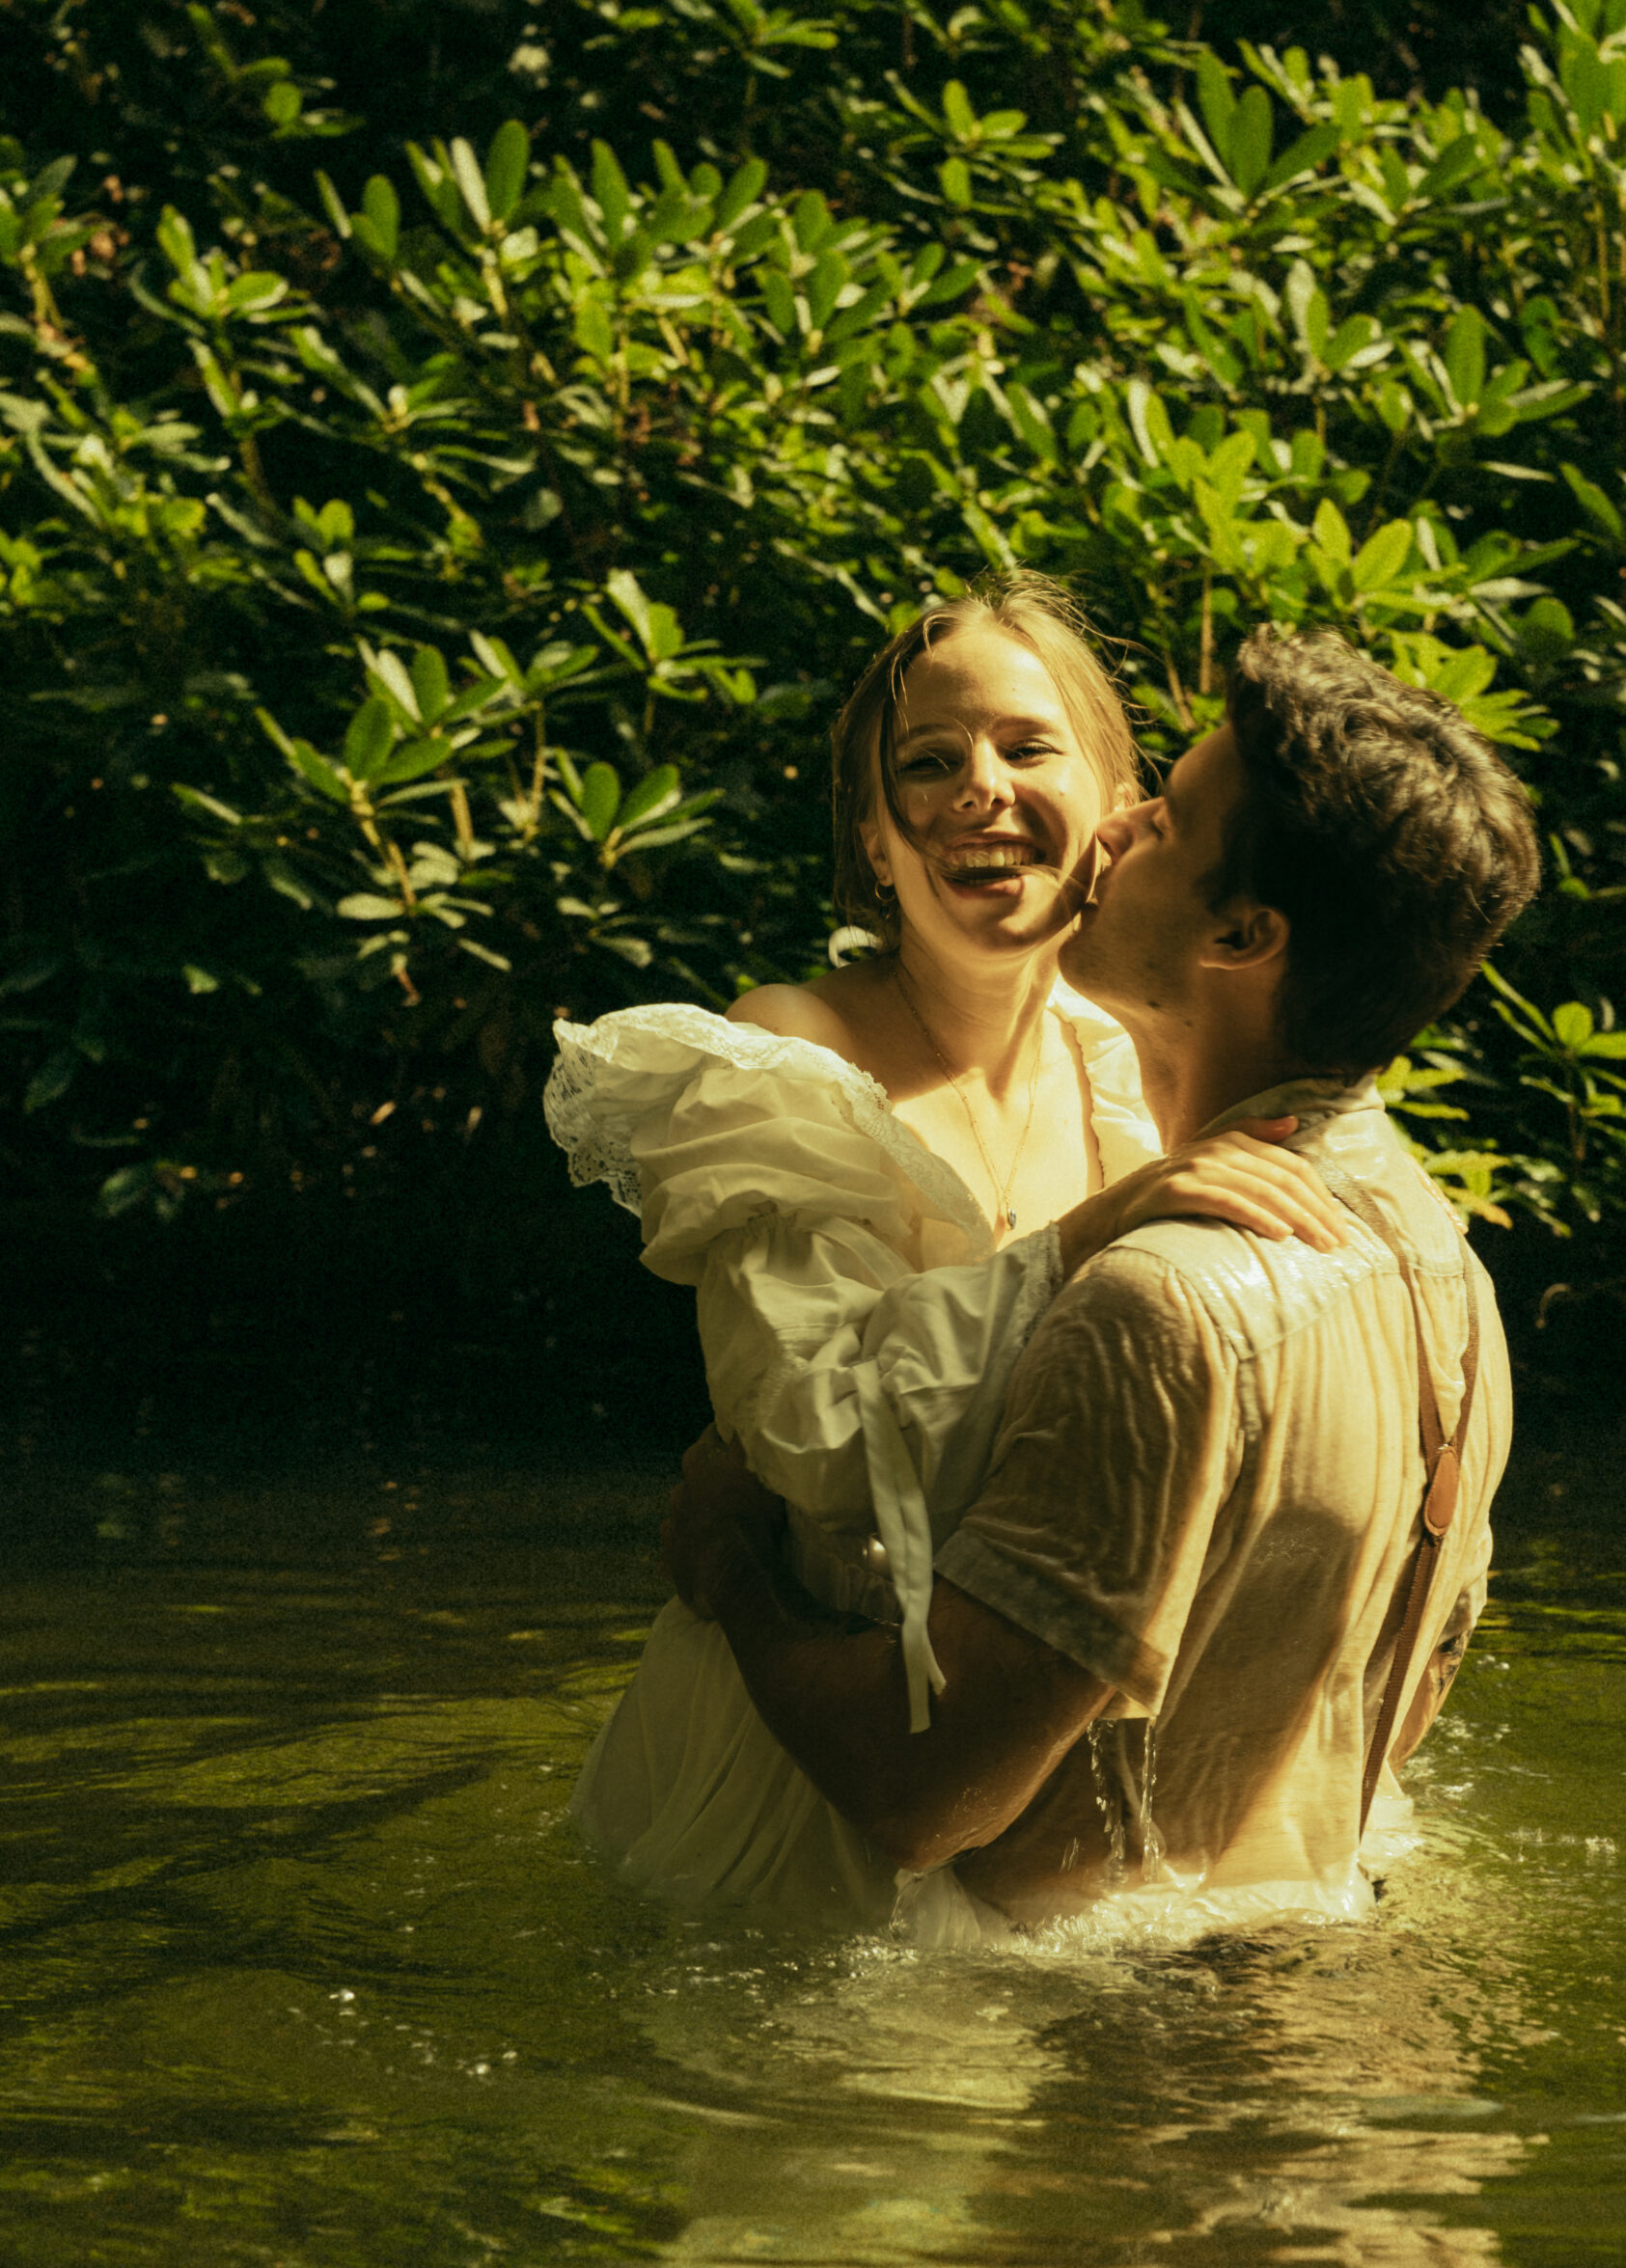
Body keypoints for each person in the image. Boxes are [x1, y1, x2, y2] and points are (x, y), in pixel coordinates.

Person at [661, 626, 1541, 1940]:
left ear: (1242, 931)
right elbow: (1402, 1699)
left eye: (1164, 816)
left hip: (1041, 2029)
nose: (1121, 830)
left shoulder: (1161, 1299)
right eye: (928, 757)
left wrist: (728, 1570)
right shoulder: (1438, 1260)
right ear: (869, 822)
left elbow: (918, 1799)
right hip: (1296, 1944)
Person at [545, 577, 1344, 1927]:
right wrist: (1094, 1230)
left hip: (1056, 1751)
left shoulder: (1135, 1063)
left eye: (1026, 748)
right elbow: (811, 1429)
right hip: (812, 1761)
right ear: (873, 835)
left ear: (1117, 806)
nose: (978, 788)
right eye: (928, 763)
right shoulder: (790, 1051)